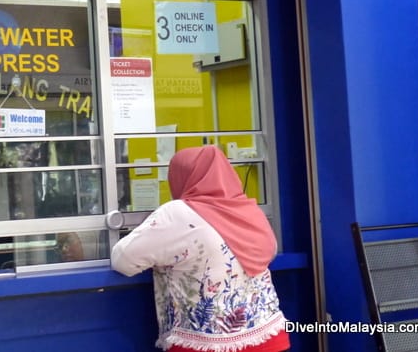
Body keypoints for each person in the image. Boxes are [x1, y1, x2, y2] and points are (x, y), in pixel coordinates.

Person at [111, 145, 290, 352]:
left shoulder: (177, 213)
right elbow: (271, 250)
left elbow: (123, 259)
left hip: (207, 345)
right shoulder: (250, 210)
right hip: (271, 340)